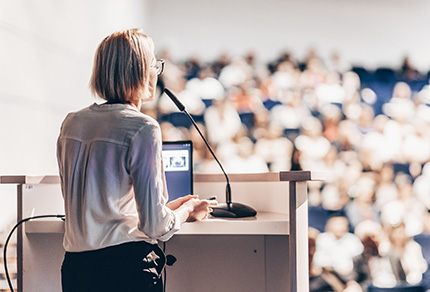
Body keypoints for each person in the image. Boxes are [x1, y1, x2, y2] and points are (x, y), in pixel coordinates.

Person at [57, 28, 217, 292]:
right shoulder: (142, 128)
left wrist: (170, 208)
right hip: (125, 269)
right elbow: (155, 226)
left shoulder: (72, 123)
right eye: (153, 64)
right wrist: (186, 211)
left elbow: (103, 207)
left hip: (76, 269)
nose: (156, 71)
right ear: (140, 71)